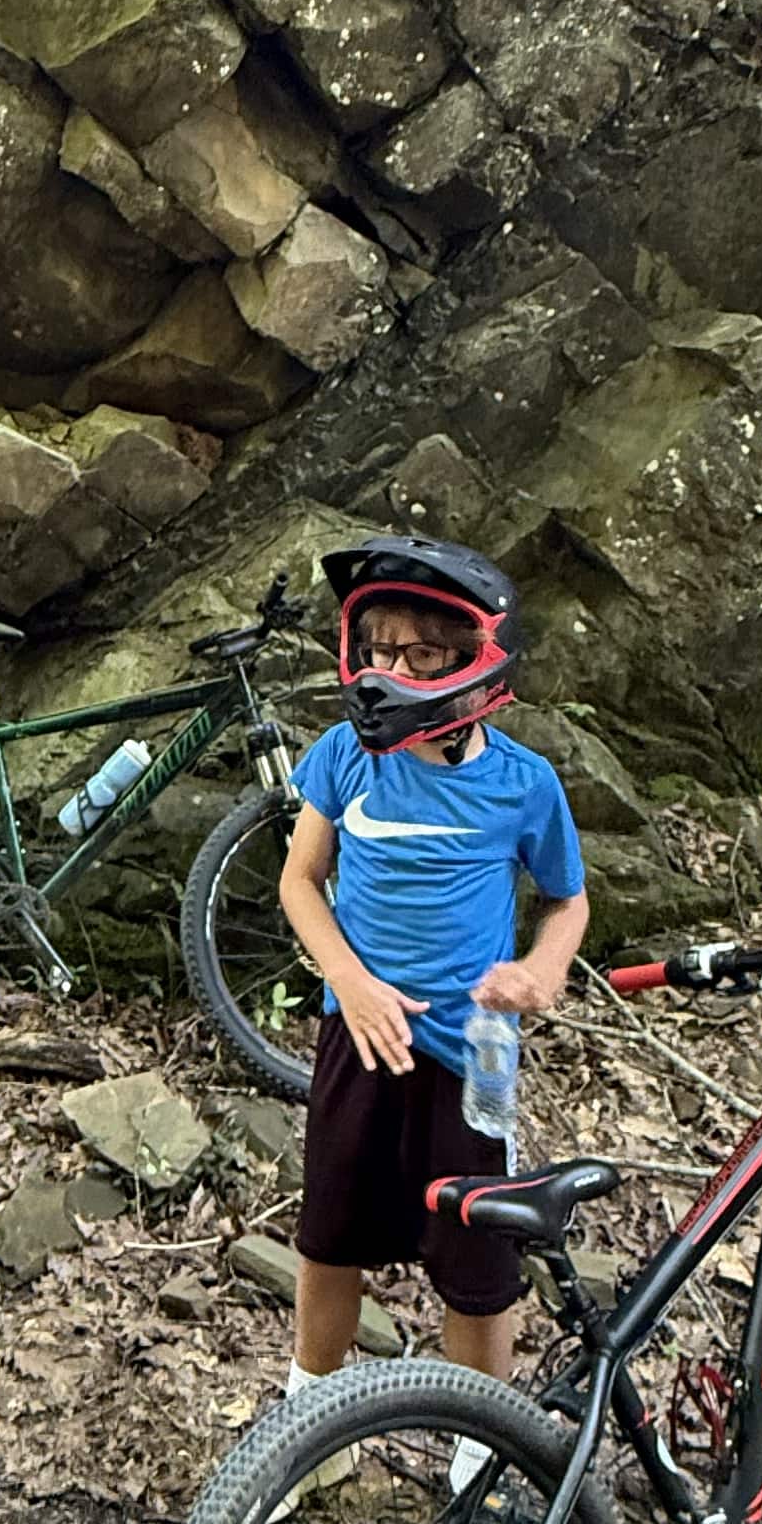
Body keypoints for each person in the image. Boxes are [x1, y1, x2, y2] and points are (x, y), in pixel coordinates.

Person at [274, 535, 586, 1412]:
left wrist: (542, 969)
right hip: (359, 1036)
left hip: (469, 1049)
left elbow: (568, 900)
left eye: (421, 654)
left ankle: (481, 1448)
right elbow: (300, 880)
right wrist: (350, 981)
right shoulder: (345, 755)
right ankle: (306, 1421)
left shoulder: (523, 784)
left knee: (477, 1264)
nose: (391, 671)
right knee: (330, 1237)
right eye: (378, 650)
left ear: (474, 661)